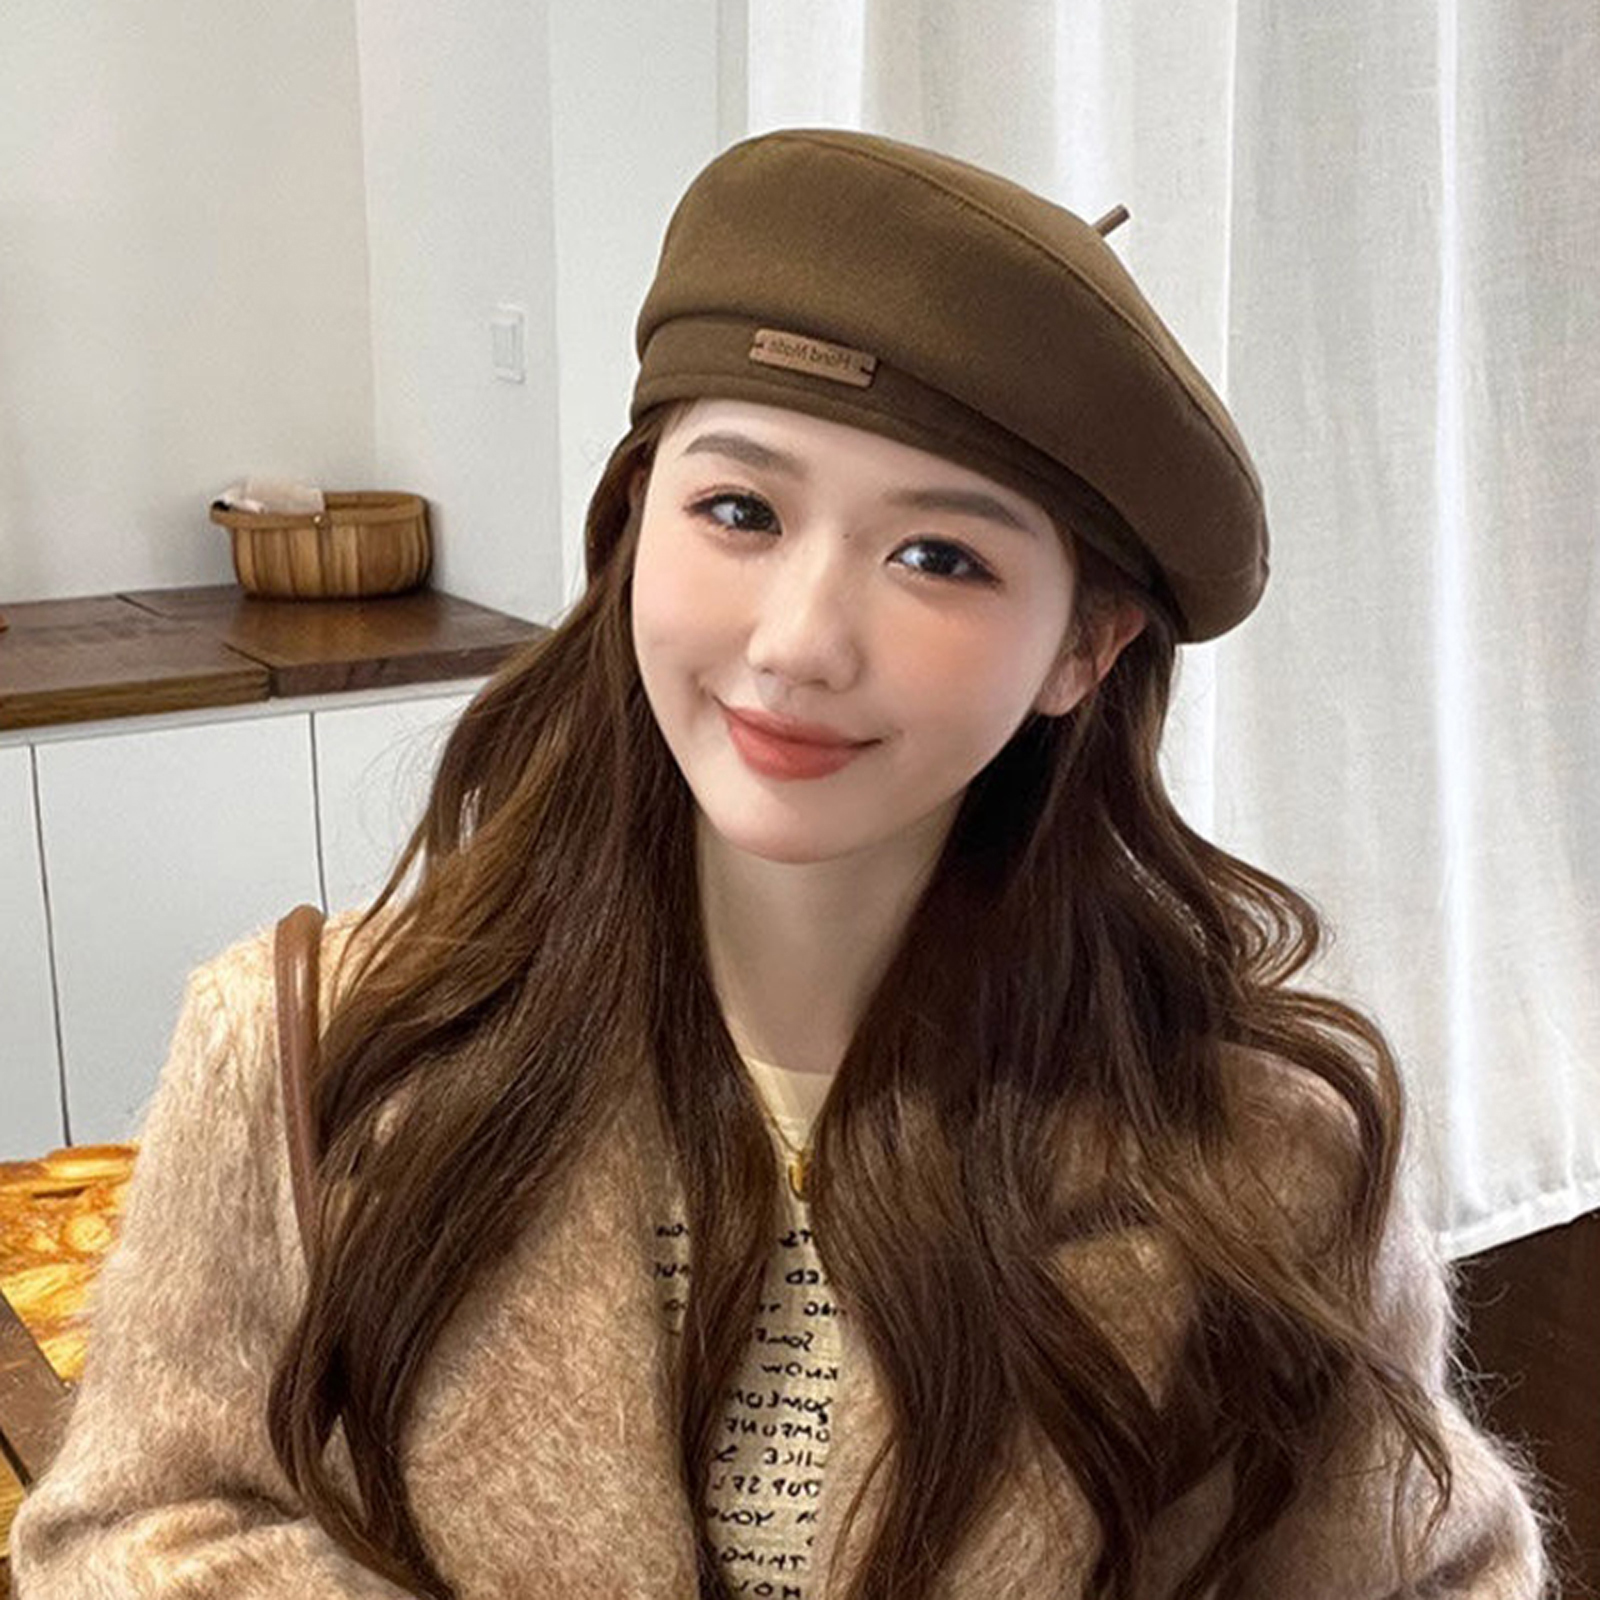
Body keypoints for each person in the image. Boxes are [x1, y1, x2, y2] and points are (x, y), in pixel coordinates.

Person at [9, 128, 1552, 1600]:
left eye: (940, 556)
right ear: (634, 531)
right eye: (740, 509)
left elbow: (1432, 1573)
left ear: (1083, 646)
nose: (800, 641)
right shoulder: (308, 1046)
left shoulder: (1260, 1149)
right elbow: (134, 1526)